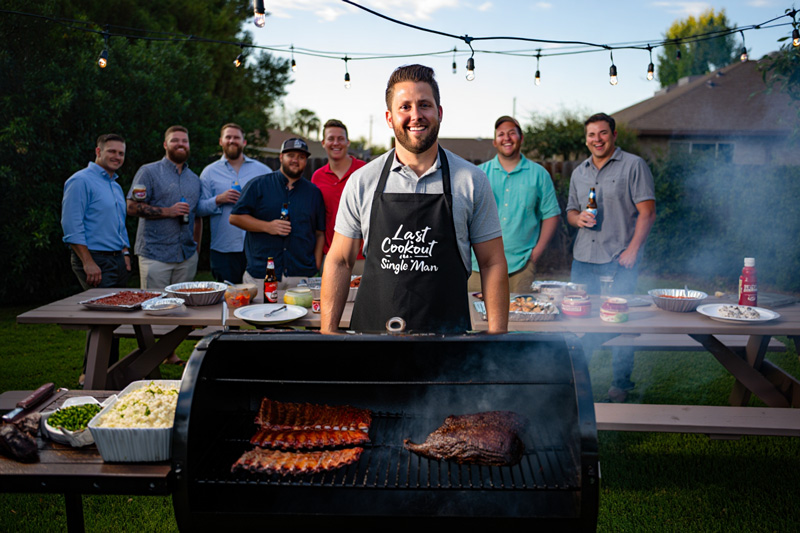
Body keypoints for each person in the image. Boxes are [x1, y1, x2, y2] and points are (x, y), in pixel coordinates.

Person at [320, 64, 509, 334]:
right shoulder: (363, 181)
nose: (416, 116)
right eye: (405, 107)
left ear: (439, 113)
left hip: (449, 343)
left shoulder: (471, 180)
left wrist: (497, 336)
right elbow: (339, 261)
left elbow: (492, 263)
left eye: (424, 105)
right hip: (372, 338)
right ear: (389, 118)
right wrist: (328, 333)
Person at [566, 112, 656, 403]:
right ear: (586, 139)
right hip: (583, 259)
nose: (597, 139)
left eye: (603, 133)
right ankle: (577, 382)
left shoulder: (633, 165)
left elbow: (647, 212)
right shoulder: (579, 172)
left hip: (619, 260)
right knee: (578, 322)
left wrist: (633, 250)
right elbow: (570, 211)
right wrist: (577, 218)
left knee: (620, 324)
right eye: (592, 135)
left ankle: (620, 384)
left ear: (614, 135)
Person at [468, 116, 561, 293]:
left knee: (520, 318)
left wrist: (535, 254)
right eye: (501, 134)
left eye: (512, 133)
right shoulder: (479, 174)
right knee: (475, 318)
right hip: (478, 266)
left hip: (521, 267)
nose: (507, 138)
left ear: (521, 138)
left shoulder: (539, 174)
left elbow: (551, 214)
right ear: (495, 142)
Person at [229, 137, 325, 299]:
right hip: (262, 273)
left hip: (300, 275)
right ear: (281, 157)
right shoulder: (258, 185)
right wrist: (268, 226)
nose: (296, 160)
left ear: (306, 161)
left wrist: (315, 264)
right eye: (291, 155)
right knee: (262, 319)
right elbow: (235, 217)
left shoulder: (313, 193)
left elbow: (319, 232)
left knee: (305, 321)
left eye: (301, 157)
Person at [127, 125, 202, 289]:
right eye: (174, 140)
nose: (180, 144)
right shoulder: (148, 172)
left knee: (184, 309)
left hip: (186, 258)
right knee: (154, 308)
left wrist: (196, 250)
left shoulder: (195, 179)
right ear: (165, 145)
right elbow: (131, 207)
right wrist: (169, 211)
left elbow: (197, 217)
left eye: (185, 141)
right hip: (155, 256)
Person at [196, 123, 271, 284]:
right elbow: (199, 209)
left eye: (236, 137)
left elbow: (273, 204)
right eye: (228, 137)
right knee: (227, 298)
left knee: (258, 297)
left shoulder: (262, 171)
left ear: (244, 142)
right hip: (223, 248)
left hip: (257, 247)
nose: (232, 140)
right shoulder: (209, 172)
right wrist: (218, 199)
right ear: (221, 141)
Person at [62, 133, 132, 291]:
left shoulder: (116, 186)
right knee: (102, 313)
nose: (117, 157)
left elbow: (119, 224)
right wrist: (87, 262)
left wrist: (125, 253)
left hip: (118, 260)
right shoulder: (80, 181)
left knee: (119, 310)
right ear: (98, 152)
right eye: (111, 151)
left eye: (121, 153)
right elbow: (71, 225)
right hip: (95, 259)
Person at [311, 119, 366, 274]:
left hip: (363, 257)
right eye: (331, 138)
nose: (336, 143)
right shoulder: (317, 177)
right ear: (323, 142)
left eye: (340, 139)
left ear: (348, 142)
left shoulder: (364, 171)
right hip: (331, 256)